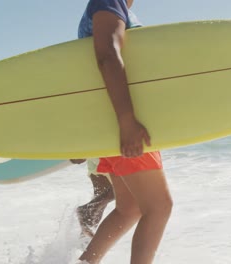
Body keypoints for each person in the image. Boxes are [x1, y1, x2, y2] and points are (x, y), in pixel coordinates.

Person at [77, 1, 173, 263]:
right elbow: (107, 54)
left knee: (129, 209)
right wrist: (127, 121)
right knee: (159, 207)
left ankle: (87, 262)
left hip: (116, 125)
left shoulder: (112, 7)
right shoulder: (108, 1)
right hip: (125, 125)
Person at [71, 158, 115, 238]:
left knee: (100, 198)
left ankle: (84, 242)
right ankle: (87, 209)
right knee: (126, 189)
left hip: (94, 154)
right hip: (112, 154)